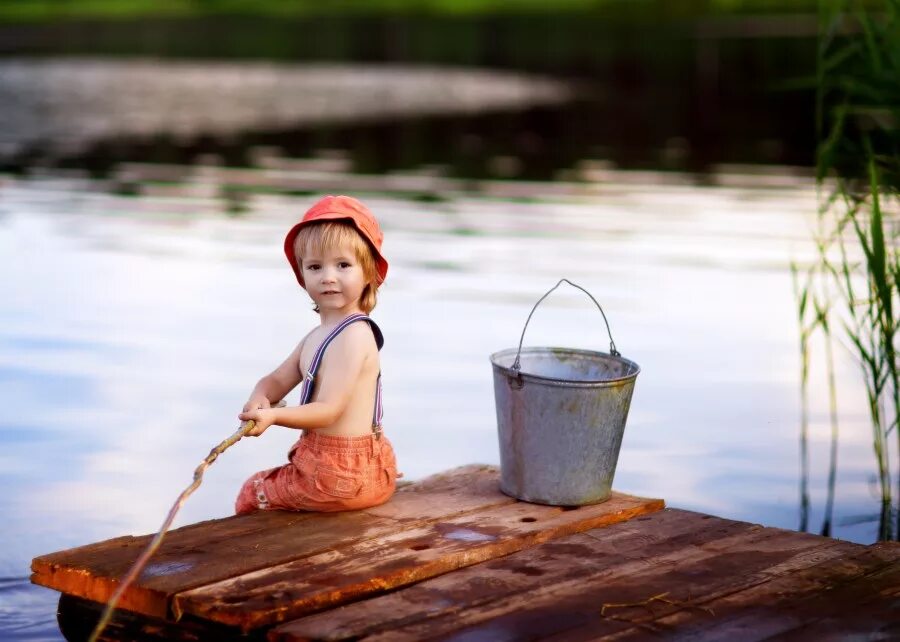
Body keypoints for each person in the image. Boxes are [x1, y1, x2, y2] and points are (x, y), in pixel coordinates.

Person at [234, 195, 399, 514]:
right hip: (348, 471)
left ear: (368, 273)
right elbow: (277, 380)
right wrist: (259, 397)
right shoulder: (316, 336)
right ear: (302, 276)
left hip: (340, 476)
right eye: (315, 266)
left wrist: (273, 416)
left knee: (252, 492)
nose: (328, 276)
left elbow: (328, 411)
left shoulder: (355, 336)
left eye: (343, 265)